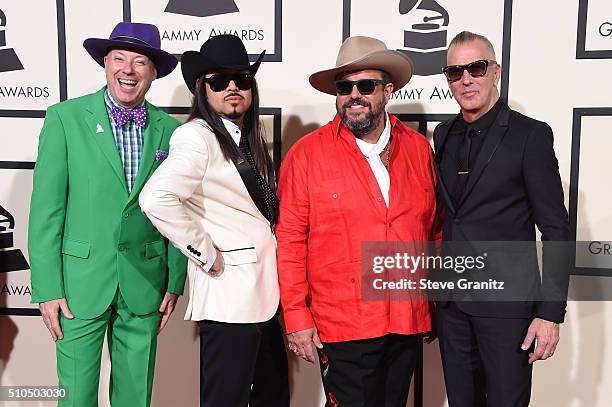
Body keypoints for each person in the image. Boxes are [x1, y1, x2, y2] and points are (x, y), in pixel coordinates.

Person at [276, 36, 441, 407]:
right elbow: (289, 241)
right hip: (342, 324)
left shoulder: (418, 149)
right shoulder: (306, 155)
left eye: (366, 86)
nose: (354, 95)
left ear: (387, 90)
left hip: (406, 318)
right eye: (344, 87)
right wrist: (297, 317)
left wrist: (432, 303)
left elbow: (434, 231)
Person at [28, 22, 187, 406]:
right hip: (78, 284)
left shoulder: (172, 130)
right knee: (77, 396)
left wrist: (175, 278)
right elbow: (47, 210)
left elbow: (180, 209)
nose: (127, 70)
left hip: (146, 282)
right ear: (105, 63)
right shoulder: (65, 118)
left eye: (139, 61)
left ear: (153, 72)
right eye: (119, 59)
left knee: (135, 396)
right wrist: (47, 287)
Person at [138, 34, 289, 407]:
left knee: (273, 397)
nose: (233, 88)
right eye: (219, 82)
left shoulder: (248, 138)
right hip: (229, 297)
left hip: (265, 296)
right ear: (201, 89)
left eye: (241, 79)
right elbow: (155, 197)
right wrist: (204, 253)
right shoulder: (196, 137)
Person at [433, 31, 570, 406]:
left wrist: (550, 312)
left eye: (475, 68)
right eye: (454, 71)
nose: (466, 79)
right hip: (452, 309)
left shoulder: (530, 136)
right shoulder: (443, 135)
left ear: (496, 71)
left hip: (507, 311)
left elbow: (556, 228)